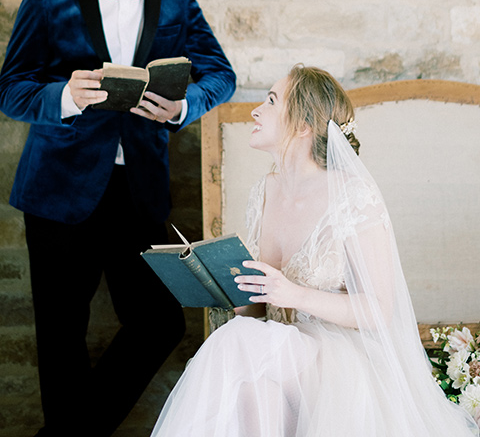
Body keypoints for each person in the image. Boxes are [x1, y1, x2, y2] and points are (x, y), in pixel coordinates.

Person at [0, 0, 236, 437]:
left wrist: (181, 110)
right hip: (58, 192)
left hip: (141, 192)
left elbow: (220, 74)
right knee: (61, 336)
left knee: (159, 323)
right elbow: (12, 89)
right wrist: (64, 96)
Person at [149, 65, 478, 436]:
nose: (256, 111)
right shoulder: (265, 190)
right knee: (257, 387)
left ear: (304, 126)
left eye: (271, 101)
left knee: (235, 345)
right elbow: (258, 311)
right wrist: (222, 285)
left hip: (333, 357)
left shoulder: (352, 195)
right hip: (275, 353)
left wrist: (293, 294)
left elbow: (378, 309)